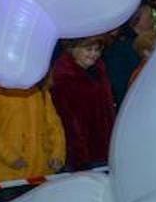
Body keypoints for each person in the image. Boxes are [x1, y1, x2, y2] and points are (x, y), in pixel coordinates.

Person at [0, 77, 66, 182]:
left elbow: (54, 124)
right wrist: (10, 157)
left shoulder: (40, 87)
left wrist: (57, 154)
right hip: (11, 172)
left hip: (42, 170)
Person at [50, 36, 116, 171]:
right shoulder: (63, 77)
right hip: (78, 154)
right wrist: (80, 157)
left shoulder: (99, 71)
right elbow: (66, 121)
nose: (94, 54)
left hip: (104, 147)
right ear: (73, 49)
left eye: (97, 50)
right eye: (88, 49)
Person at [102, 4, 156, 107]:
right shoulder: (121, 48)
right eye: (150, 17)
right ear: (137, 19)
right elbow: (119, 84)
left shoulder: (145, 42)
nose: (152, 20)